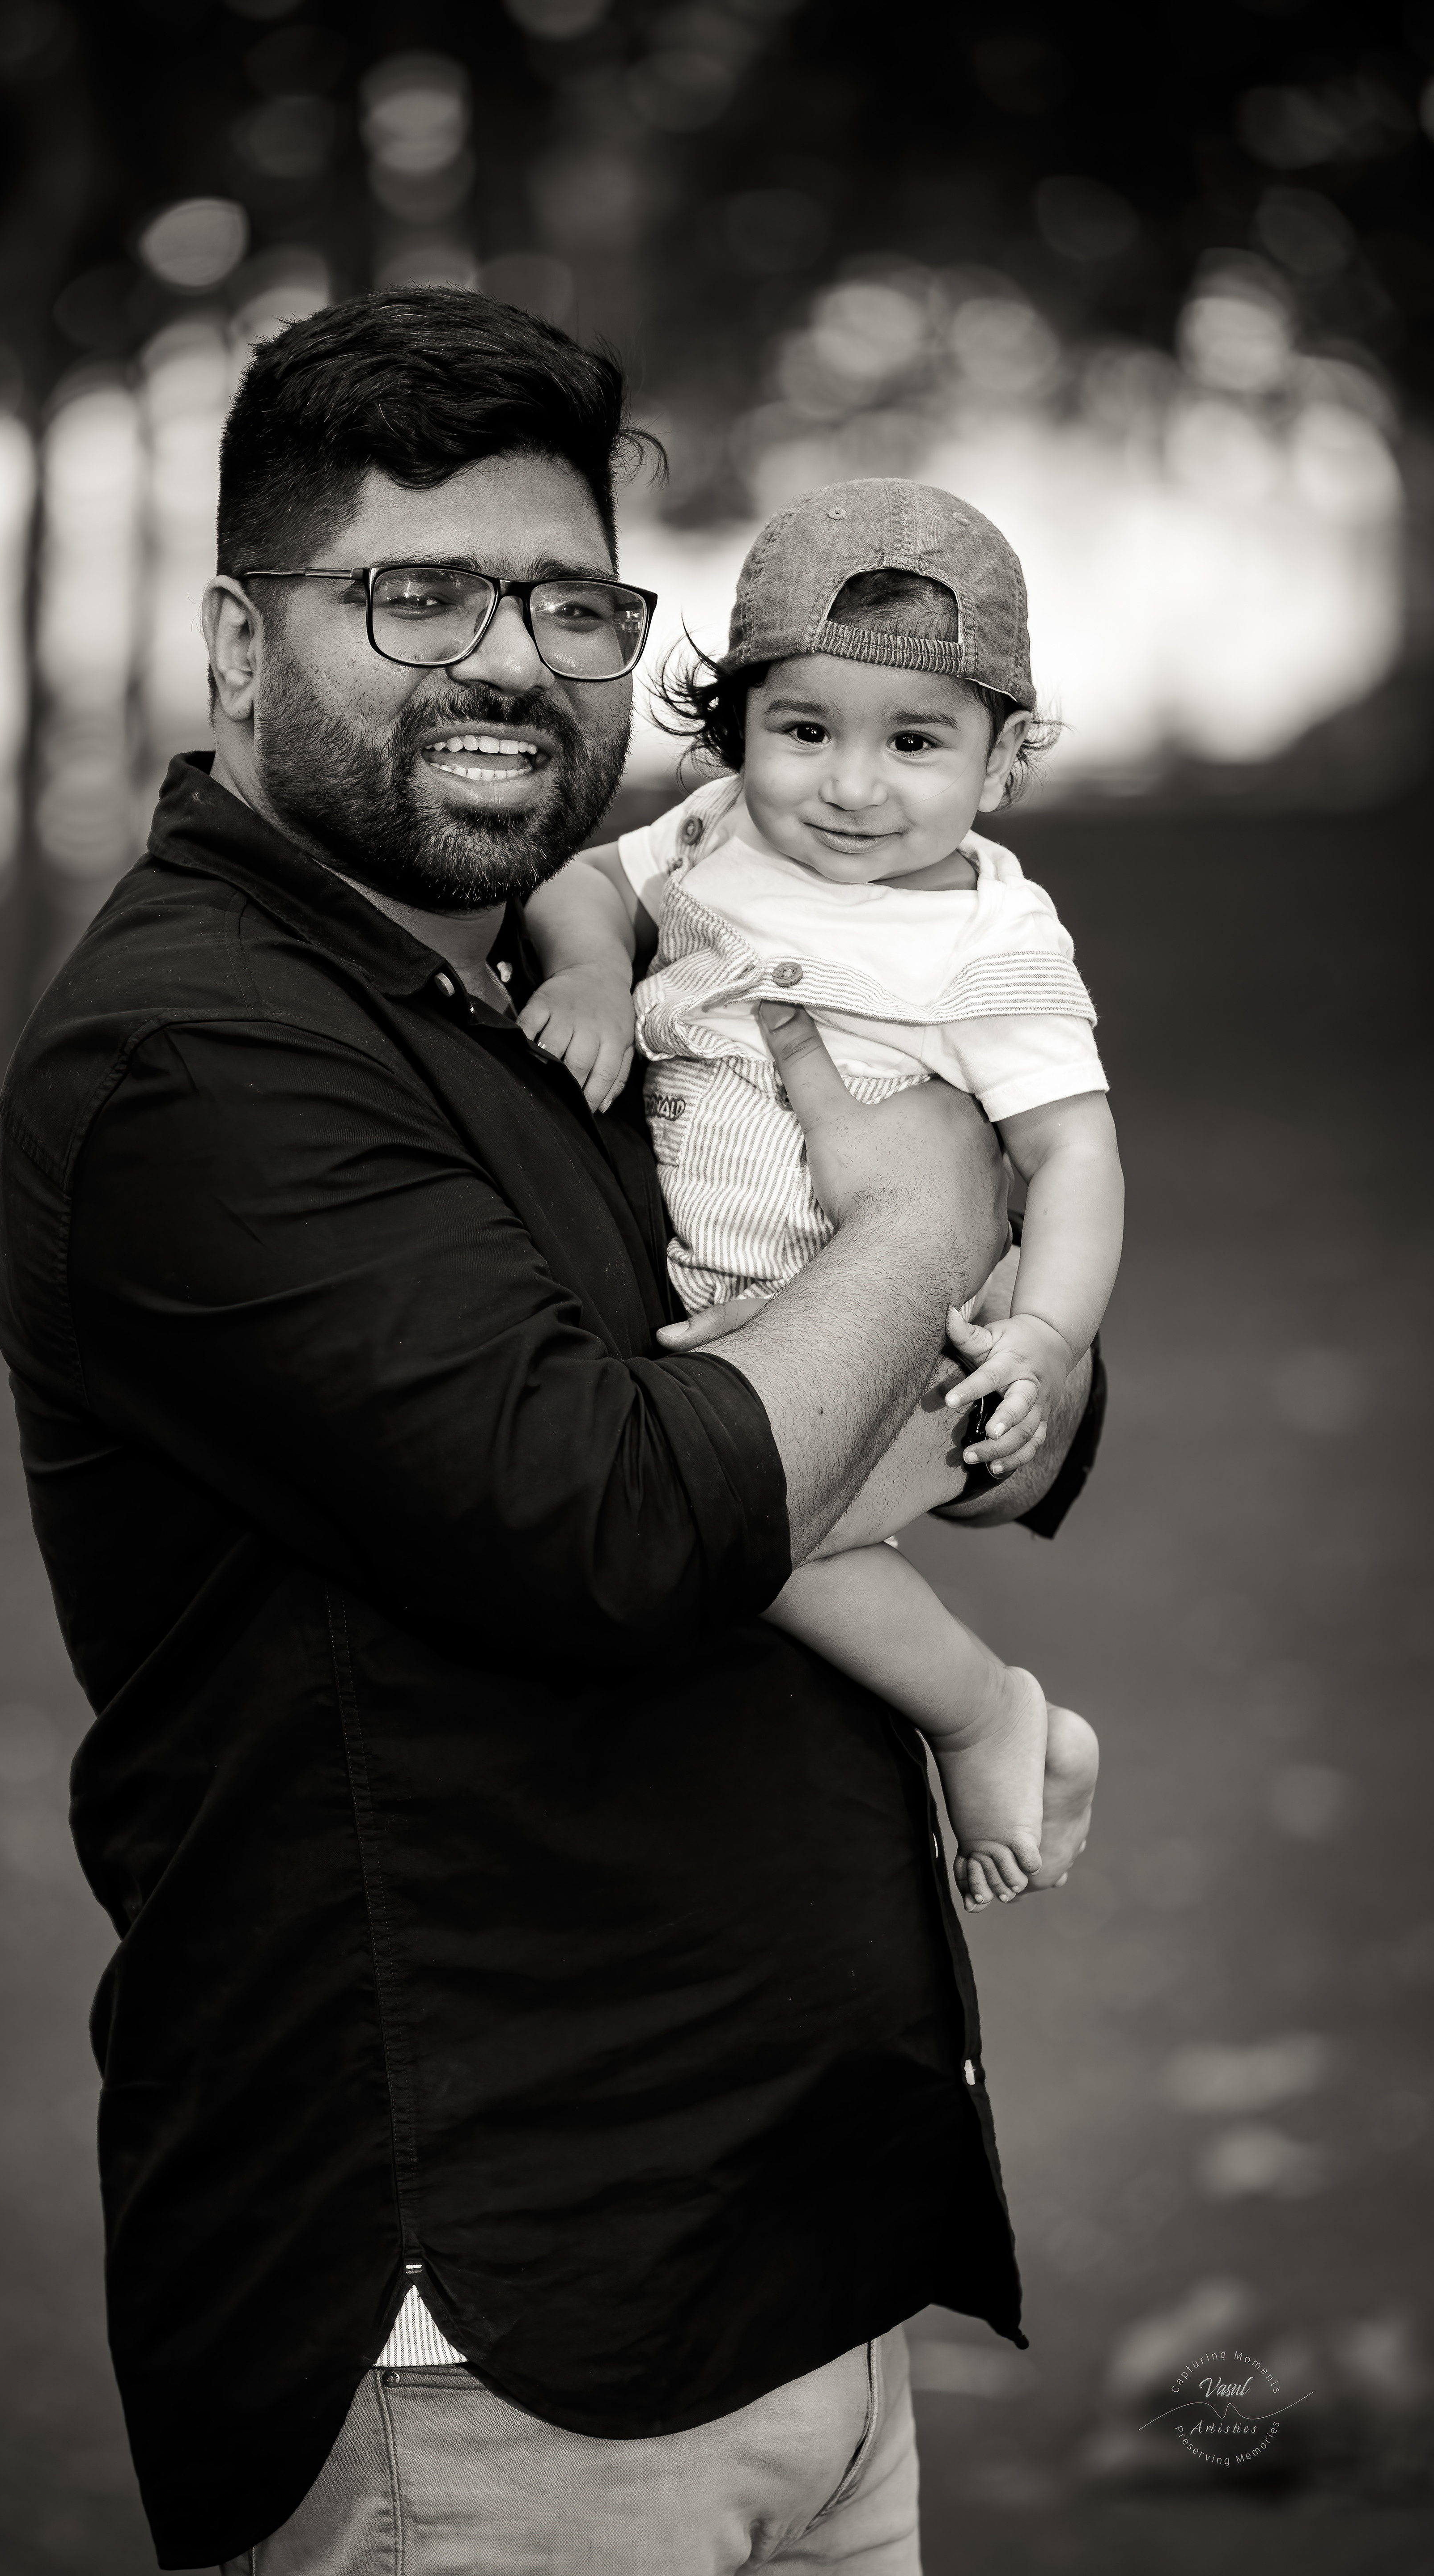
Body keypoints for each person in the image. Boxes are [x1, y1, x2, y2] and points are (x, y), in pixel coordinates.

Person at [0, 290, 1106, 2576]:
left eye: (573, 603)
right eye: (417, 593)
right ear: (237, 642)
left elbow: (926, 1412)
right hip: (497, 2336)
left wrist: (1001, 1357)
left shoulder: (548, 971)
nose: (511, 658)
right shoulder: (202, 1059)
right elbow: (631, 1523)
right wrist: (924, 1213)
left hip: (793, 2264)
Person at [519, 481, 1117, 1911]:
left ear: (1003, 760)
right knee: (724, 1538)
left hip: (879, 1334)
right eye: (804, 732)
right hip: (738, 1314)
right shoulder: (716, 835)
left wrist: (1045, 1337)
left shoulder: (990, 943)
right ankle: (985, 1724)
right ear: (737, 732)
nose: (851, 786)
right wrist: (592, 971)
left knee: (740, 1546)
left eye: (914, 742)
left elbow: (1075, 1156)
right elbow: (582, 884)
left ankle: (983, 1714)